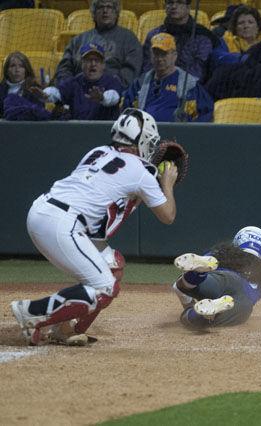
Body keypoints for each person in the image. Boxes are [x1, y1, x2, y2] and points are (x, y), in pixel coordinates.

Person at [10, 108, 179, 346]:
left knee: (111, 267)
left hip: (44, 210)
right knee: (105, 287)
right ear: (141, 140)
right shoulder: (142, 172)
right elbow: (168, 215)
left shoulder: (98, 151)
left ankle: (65, 329)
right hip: (62, 223)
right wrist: (167, 184)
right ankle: (32, 311)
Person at [172, 226, 261, 329]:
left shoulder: (218, 254)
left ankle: (197, 273)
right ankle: (206, 314)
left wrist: (188, 302)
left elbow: (176, 288)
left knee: (185, 286)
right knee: (199, 319)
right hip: (243, 303)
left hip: (222, 278)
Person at [124, 33, 214, 122]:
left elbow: (206, 112)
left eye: (164, 54)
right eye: (156, 54)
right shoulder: (140, 83)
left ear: (174, 56)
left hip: (176, 134)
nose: (159, 59)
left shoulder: (188, 83)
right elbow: (126, 110)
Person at [55, 0, 142, 90]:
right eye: (100, 7)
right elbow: (64, 69)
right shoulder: (77, 40)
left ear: (116, 13)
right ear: (93, 14)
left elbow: (130, 72)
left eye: (109, 7)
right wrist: (70, 88)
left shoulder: (129, 39)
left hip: (111, 95)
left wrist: (109, 89)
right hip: (77, 93)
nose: (105, 11)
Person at [38, 43, 123, 120]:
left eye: (97, 60)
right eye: (88, 60)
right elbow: (57, 93)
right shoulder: (74, 82)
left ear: (103, 65)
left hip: (104, 132)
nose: (93, 64)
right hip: (77, 131)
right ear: (82, 64)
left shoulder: (112, 81)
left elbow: (114, 97)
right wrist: (46, 94)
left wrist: (102, 98)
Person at [141, 0, 221, 81]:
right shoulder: (154, 35)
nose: (174, 6)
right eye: (170, 2)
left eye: (179, 2)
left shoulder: (202, 37)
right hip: (156, 86)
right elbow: (147, 69)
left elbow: (198, 73)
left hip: (188, 87)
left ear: (188, 7)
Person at [0, 51, 51, 121]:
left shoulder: (35, 89)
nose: (17, 69)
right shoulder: (1, 89)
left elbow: (39, 113)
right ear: (6, 70)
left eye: (21, 66)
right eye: (12, 66)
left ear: (26, 70)